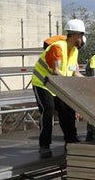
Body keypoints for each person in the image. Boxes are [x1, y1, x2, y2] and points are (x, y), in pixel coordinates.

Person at [30, 18, 85, 158]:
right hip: (43, 83)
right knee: (48, 110)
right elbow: (56, 71)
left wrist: (88, 82)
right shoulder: (58, 47)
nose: (82, 38)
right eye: (80, 35)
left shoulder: (74, 51)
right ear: (73, 35)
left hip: (59, 85)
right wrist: (68, 87)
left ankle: (71, 141)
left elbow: (75, 72)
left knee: (68, 110)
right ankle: (44, 145)